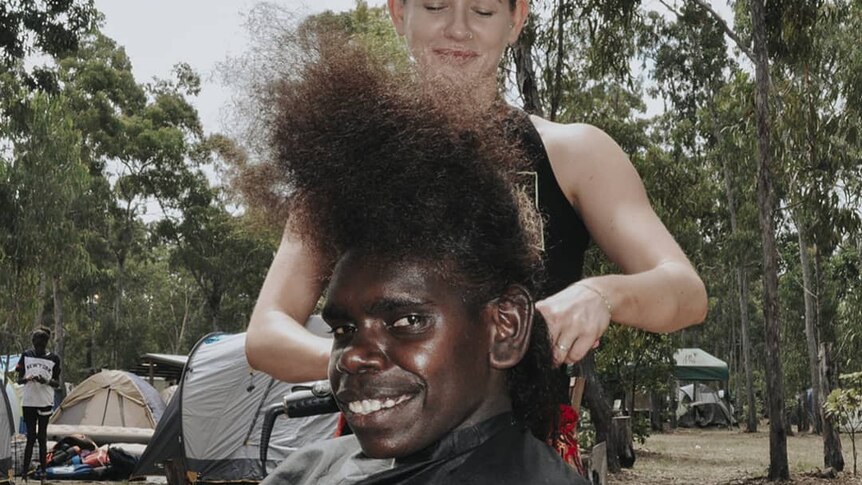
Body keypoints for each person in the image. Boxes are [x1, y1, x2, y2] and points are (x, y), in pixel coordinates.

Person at [246, 0, 707, 383]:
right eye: (435, 5)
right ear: (398, 12)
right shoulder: (345, 161)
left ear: (516, 19)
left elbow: (686, 292)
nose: (458, 29)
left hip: (527, 455)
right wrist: (368, 359)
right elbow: (266, 333)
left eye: (483, 10)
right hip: (378, 450)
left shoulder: (575, 154)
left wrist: (601, 295)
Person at [255, 42, 585, 483]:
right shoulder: (309, 469)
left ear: (505, 327)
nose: (351, 358)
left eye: (408, 320)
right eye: (343, 330)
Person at [15, 327, 61, 479]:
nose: (38, 347)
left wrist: (46, 381)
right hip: (29, 402)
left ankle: (43, 471)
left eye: (42, 344)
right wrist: (27, 379)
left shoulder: (54, 359)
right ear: (33, 343)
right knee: (30, 437)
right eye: (36, 343)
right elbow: (18, 379)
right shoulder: (26, 355)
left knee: (42, 437)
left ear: (46, 343)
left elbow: (56, 383)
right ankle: (24, 472)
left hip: (45, 402)